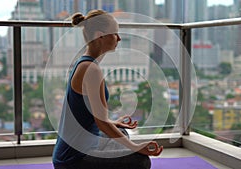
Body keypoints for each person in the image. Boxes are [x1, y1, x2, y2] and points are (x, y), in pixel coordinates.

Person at [52, 9, 163, 169]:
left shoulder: (84, 63)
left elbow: (92, 117)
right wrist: (135, 147)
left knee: (122, 134)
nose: (119, 38)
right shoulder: (91, 70)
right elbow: (101, 122)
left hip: (79, 147)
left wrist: (114, 123)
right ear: (100, 35)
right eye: (115, 33)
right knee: (141, 162)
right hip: (74, 159)